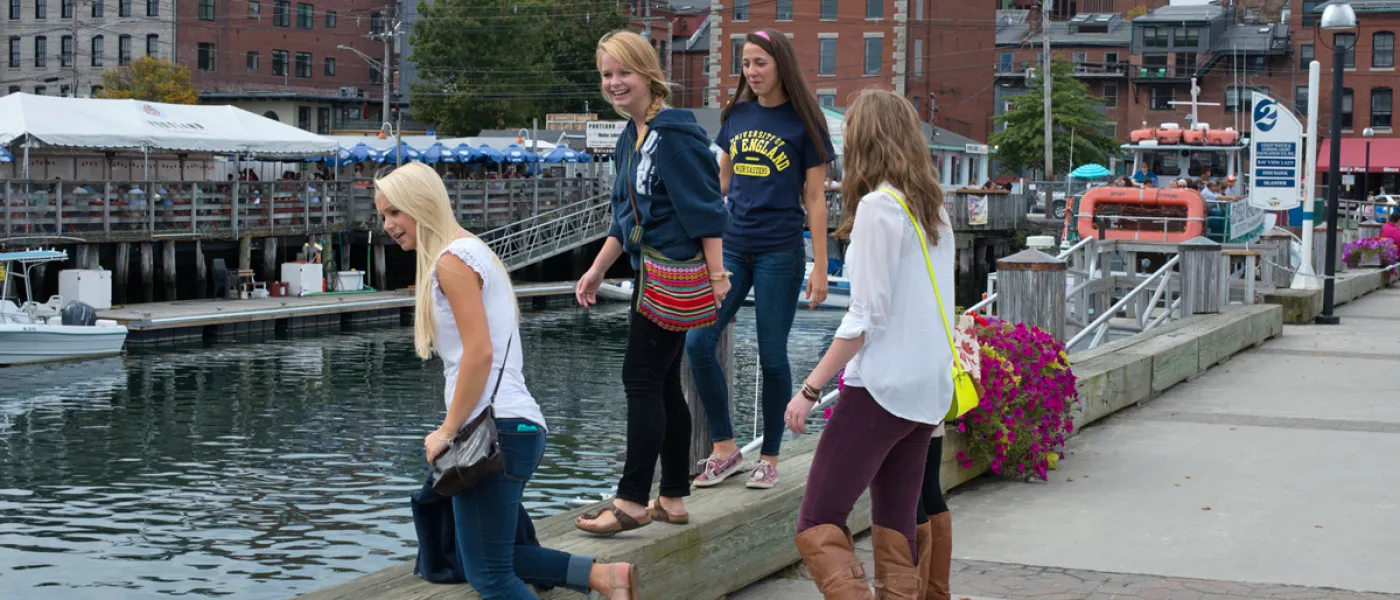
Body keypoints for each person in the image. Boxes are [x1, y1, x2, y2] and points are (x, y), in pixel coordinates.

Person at [377, 162, 639, 599]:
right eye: (383, 215)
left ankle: (602, 578)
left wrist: (445, 431)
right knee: (481, 555)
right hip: (516, 427)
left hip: (491, 430)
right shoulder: (475, 250)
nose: (388, 225)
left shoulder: (451, 262)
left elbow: (479, 354)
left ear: (422, 205)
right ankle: (603, 578)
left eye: (396, 213)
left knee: (489, 575)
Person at [785, 89, 955, 599]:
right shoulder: (932, 210)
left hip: (881, 389)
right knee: (896, 524)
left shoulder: (880, 208)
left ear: (862, 140)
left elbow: (864, 316)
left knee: (817, 521)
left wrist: (810, 389)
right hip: (925, 392)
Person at [574, 29, 729, 535]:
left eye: (624, 72)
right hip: (649, 274)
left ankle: (633, 500)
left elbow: (707, 211)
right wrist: (597, 269)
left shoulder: (674, 137)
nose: (615, 83)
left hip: (676, 275)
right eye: (607, 74)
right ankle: (674, 498)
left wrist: (718, 276)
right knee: (663, 386)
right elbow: (625, 219)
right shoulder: (632, 135)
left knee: (639, 381)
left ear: (648, 74)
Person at [686, 27, 835, 491]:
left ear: (780, 65)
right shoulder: (736, 115)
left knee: (773, 356)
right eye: (746, 64)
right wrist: (693, 226)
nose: (751, 71)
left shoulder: (805, 123)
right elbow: (722, 185)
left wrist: (821, 266)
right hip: (733, 248)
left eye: (759, 63)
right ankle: (725, 448)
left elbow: (814, 198)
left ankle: (769, 457)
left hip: (780, 252)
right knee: (697, 343)